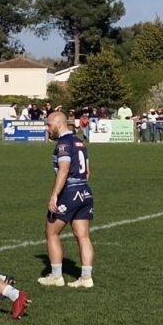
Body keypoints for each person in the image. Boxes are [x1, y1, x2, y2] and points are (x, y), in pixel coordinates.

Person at [38, 111, 94, 289]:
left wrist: (55, 194)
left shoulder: (63, 144)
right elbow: (88, 172)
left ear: (58, 124)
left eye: (48, 125)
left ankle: (56, 276)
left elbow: (63, 169)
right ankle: (86, 278)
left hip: (69, 192)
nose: (47, 129)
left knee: (51, 232)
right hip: (85, 191)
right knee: (83, 236)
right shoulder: (79, 142)